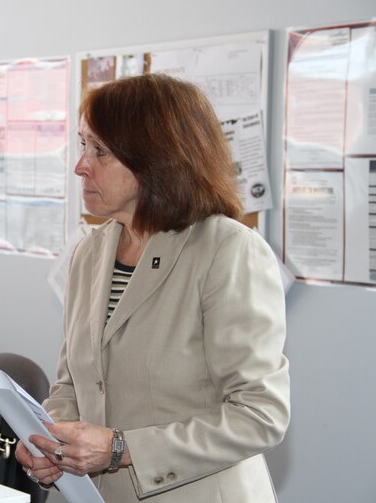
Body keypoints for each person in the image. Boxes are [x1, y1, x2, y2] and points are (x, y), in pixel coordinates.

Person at [16, 73, 290, 502]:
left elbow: (259, 414)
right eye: (82, 144)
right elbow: (73, 384)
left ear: (155, 158)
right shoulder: (89, 254)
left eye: (99, 150)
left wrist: (122, 449)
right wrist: (48, 439)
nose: (80, 164)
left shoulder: (227, 250)